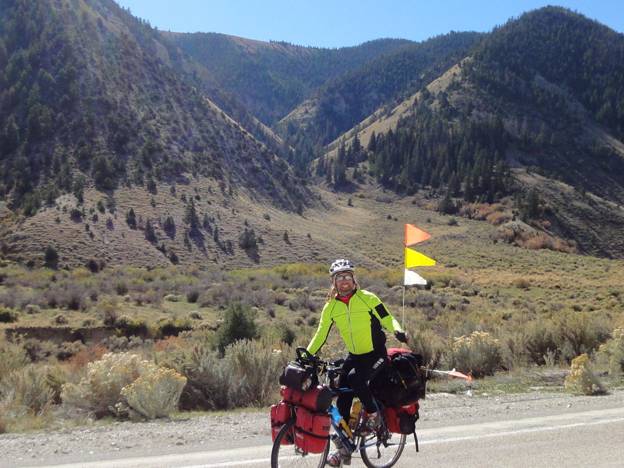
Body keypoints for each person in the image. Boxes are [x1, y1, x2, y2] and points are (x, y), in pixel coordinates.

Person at [306, 259, 408, 466]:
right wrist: (306, 356)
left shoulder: (367, 298)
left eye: (347, 277)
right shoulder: (331, 307)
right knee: (342, 394)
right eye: (339, 278)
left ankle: (373, 414)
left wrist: (397, 330)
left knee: (355, 380)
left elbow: (387, 317)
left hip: (376, 354)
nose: (344, 281)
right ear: (334, 282)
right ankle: (345, 447)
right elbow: (320, 334)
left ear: (354, 280)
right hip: (355, 355)